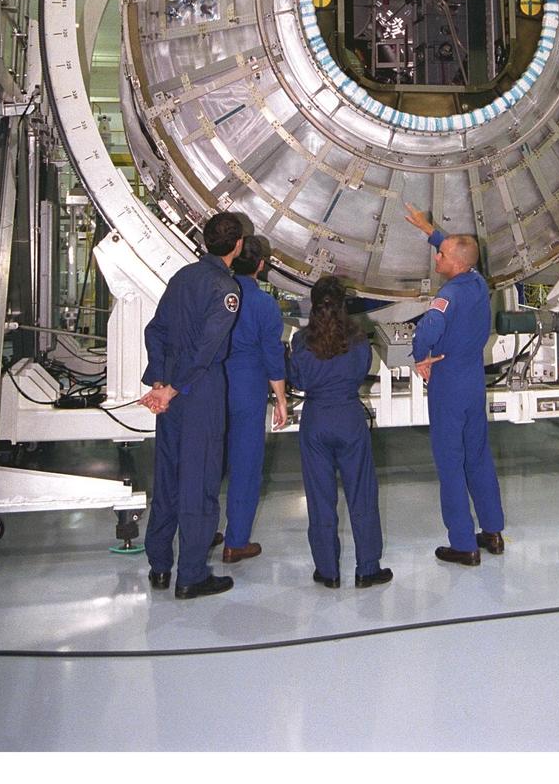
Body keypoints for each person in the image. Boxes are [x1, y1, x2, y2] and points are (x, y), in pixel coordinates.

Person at [139, 211, 244, 600]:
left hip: (172, 389)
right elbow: (206, 349)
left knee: (167, 479)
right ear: (238, 245)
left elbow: (156, 330)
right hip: (199, 391)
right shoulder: (226, 289)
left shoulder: (182, 277)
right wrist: (173, 388)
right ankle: (192, 576)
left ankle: (159, 566)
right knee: (199, 482)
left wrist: (160, 380)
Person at [404, 203, 505, 566]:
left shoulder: (447, 296)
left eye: (441, 256)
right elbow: (458, 249)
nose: (437, 258)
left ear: (456, 264)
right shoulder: (477, 282)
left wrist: (420, 357)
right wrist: (428, 230)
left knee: (450, 463)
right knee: (478, 456)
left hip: (448, 383)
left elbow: (428, 330)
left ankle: (463, 544)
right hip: (473, 380)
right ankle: (492, 532)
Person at [287, 276, 392, 590]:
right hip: (348, 418)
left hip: (316, 420)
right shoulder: (358, 339)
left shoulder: (301, 341)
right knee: (362, 495)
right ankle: (367, 568)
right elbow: (361, 372)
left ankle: (327, 570)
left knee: (320, 499)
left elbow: (297, 380)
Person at [222, 235, 288, 563]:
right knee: (245, 466)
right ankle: (235, 542)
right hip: (248, 388)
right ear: (261, 266)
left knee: (206, 462)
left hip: (212, 384)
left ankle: (201, 532)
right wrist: (281, 399)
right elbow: (273, 355)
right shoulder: (264, 305)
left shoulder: (217, 294)